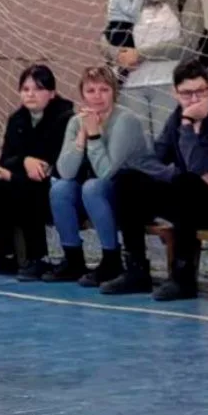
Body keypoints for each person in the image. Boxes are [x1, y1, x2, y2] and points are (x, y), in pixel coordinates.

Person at [103, 60, 208, 300]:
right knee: (128, 180)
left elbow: (196, 165)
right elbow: (151, 159)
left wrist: (188, 124)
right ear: (175, 93)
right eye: (187, 94)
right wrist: (174, 173)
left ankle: (183, 277)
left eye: (200, 91)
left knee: (188, 184)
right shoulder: (176, 117)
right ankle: (136, 269)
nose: (195, 99)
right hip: (188, 196)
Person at [44, 66, 148, 286]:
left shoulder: (125, 120)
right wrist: (81, 137)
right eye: (91, 91)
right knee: (60, 188)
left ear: (114, 92)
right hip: (95, 194)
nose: (97, 96)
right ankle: (73, 259)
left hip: (131, 195)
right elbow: (66, 171)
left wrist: (93, 135)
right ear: (82, 94)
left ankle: (112, 260)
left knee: (92, 186)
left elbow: (106, 172)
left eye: (104, 90)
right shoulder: (76, 121)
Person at [0, 65, 74, 279]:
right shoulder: (17, 119)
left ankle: (38, 258)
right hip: (22, 178)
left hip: (56, 180)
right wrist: (25, 161)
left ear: (52, 93)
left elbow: (51, 160)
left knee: (30, 189)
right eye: (26, 89)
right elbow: (5, 159)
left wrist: (17, 170)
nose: (30, 94)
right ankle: (5, 256)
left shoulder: (64, 117)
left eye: (38, 89)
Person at [114, 0, 206, 145]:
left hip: (169, 84)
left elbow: (188, 45)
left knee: (165, 146)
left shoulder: (189, 0)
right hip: (132, 86)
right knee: (136, 147)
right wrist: (118, 55)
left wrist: (141, 54)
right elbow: (107, 37)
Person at [104, 0, 144, 83]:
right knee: (129, 52)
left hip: (123, 28)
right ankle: (117, 74)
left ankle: (120, 72)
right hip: (119, 29)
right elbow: (133, 13)